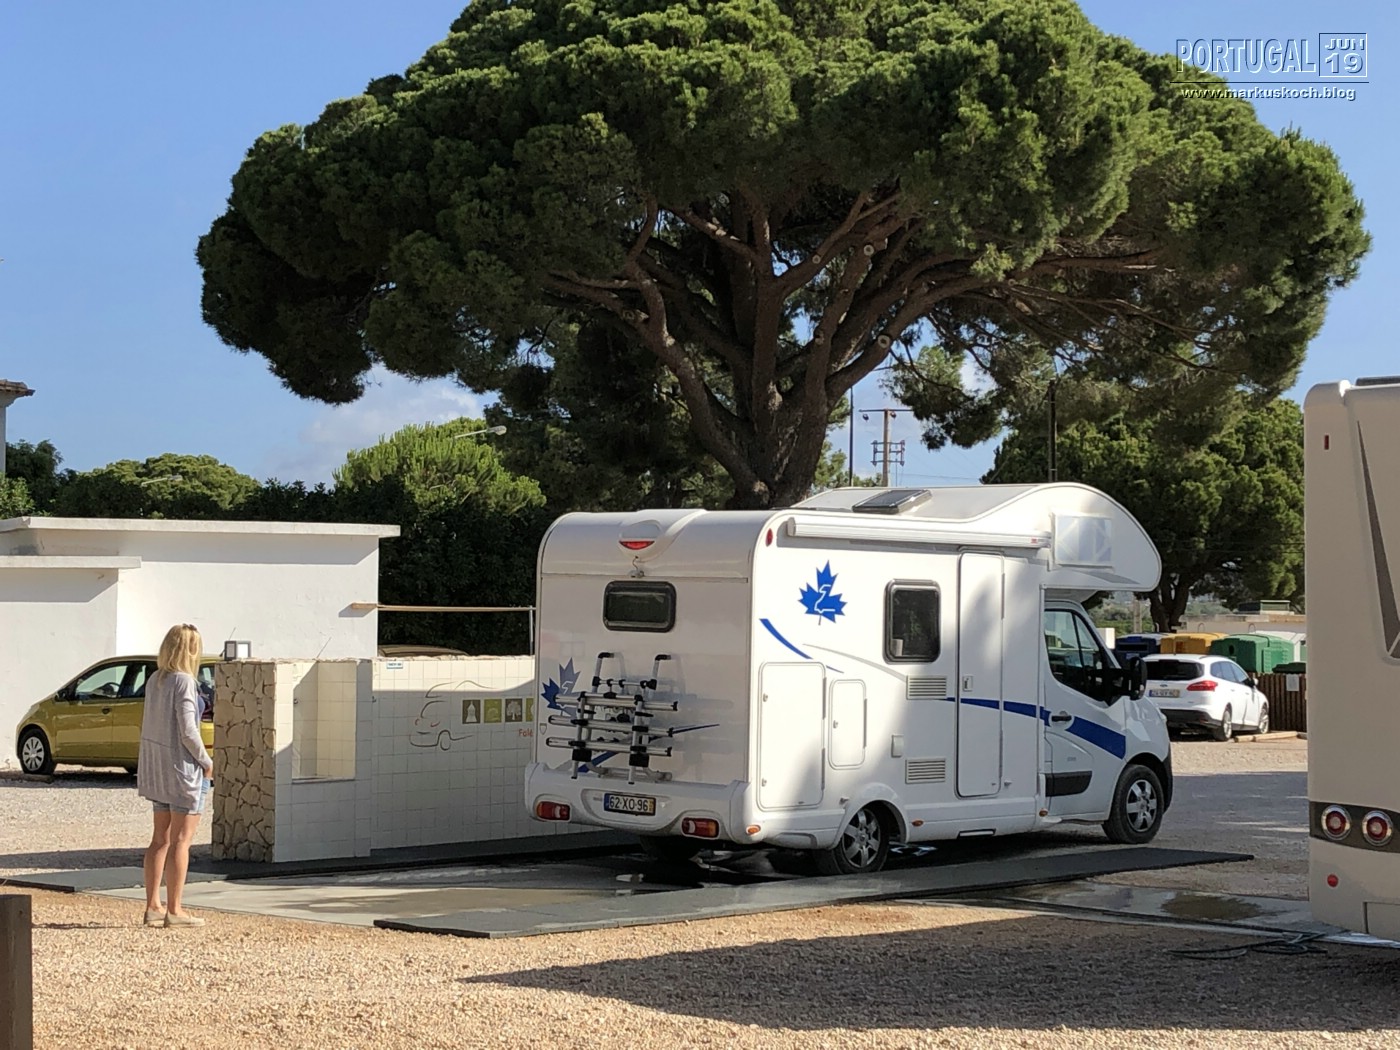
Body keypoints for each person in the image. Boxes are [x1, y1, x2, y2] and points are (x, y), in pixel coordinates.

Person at [137, 623, 214, 928]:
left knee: (160, 838)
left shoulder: (155, 679)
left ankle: (153, 905)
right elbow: (188, 730)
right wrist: (206, 761)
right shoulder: (184, 681)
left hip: (158, 769)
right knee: (182, 840)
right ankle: (175, 909)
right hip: (183, 771)